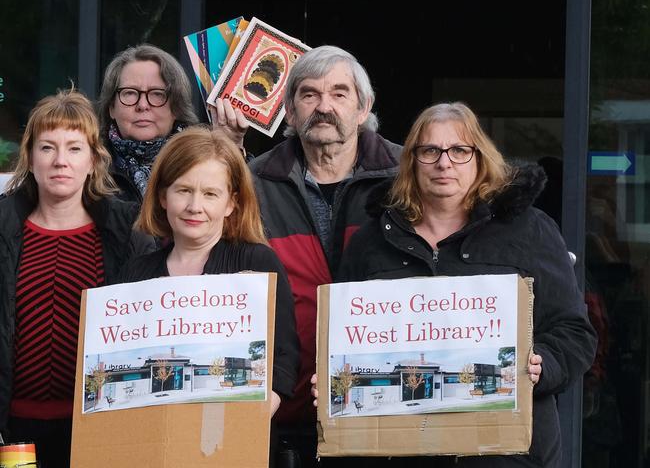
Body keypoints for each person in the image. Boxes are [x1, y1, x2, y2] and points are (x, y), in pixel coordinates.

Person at [335, 102, 597, 467]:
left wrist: (543, 362)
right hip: (401, 450)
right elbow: (345, 342)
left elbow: (575, 332)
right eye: (430, 151)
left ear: (479, 157)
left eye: (459, 150)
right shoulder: (371, 241)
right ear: (412, 160)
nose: (445, 163)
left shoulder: (530, 230)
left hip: (508, 453)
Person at [240, 45, 402, 466]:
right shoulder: (252, 183)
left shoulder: (407, 177)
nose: (323, 106)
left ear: (363, 107)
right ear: (290, 113)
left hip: (385, 406)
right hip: (283, 408)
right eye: (309, 94)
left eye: (339, 93)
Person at [0, 89, 155, 468]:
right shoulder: (2, 227)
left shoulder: (129, 235)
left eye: (74, 148)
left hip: (95, 426)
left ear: (93, 160)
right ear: (30, 158)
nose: (60, 161)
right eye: (47, 147)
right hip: (12, 430)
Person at [119, 126, 300, 415]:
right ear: (163, 196)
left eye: (210, 194)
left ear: (231, 203)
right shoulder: (135, 274)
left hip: (237, 438)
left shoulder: (258, 263)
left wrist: (249, 422)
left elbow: (283, 358)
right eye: (184, 190)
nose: (195, 206)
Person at [97, 43, 199, 202]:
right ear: (111, 107)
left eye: (157, 94)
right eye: (129, 93)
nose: (142, 105)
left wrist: (233, 146)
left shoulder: (203, 163)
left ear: (177, 107)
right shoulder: (86, 169)